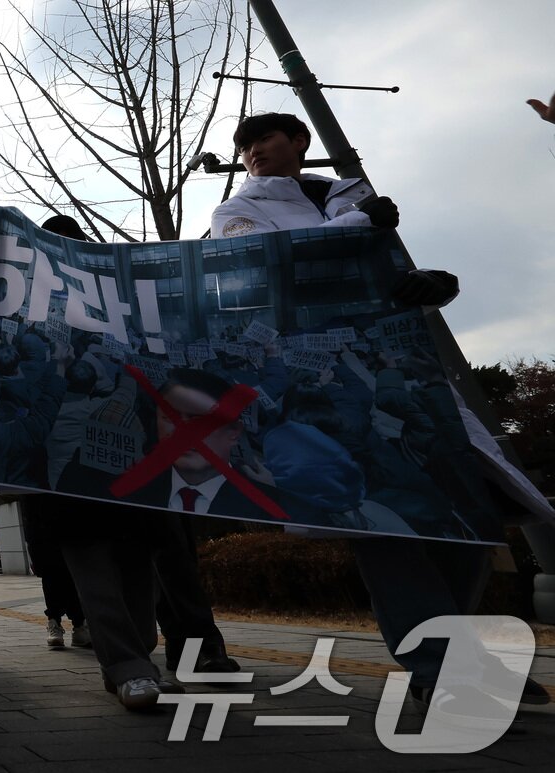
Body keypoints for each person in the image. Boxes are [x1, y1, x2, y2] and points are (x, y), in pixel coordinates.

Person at [211, 112, 548, 708]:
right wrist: (359, 222)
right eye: (244, 146)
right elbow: (261, 261)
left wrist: (430, 284)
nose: (252, 152)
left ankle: (454, 656)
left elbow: (383, 274)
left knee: (463, 519)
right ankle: (439, 668)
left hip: (406, 376)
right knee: (384, 523)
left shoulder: (351, 194)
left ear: (298, 142)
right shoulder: (240, 210)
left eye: (264, 138)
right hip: (322, 386)